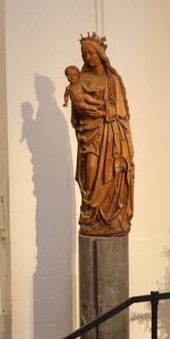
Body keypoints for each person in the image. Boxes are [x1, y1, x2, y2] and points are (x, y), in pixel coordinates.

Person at [68, 33, 135, 236]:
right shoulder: (81, 78)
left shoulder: (112, 80)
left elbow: (121, 113)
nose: (88, 57)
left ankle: (109, 217)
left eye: (91, 53)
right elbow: (77, 108)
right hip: (89, 133)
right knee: (89, 172)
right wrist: (86, 110)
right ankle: (90, 211)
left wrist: (108, 113)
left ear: (100, 54)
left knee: (111, 173)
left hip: (110, 134)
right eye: (84, 54)